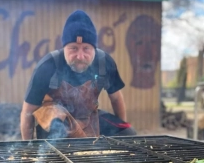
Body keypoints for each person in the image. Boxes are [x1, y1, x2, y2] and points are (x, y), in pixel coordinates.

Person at [20, 10, 137, 140]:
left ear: (94, 48)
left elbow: (116, 99)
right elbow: (27, 112)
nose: (80, 56)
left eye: (86, 48)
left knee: (128, 133)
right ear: (64, 48)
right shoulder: (47, 66)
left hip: (88, 118)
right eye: (73, 48)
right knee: (56, 127)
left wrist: (121, 139)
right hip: (55, 124)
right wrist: (28, 148)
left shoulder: (104, 63)